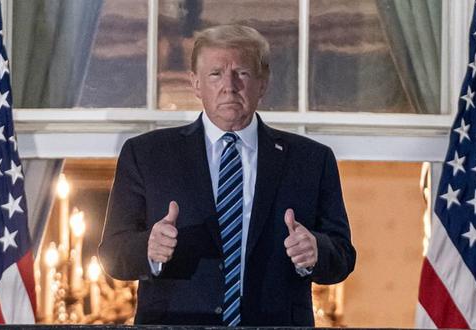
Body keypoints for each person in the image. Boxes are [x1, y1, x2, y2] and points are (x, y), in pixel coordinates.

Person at [98, 24, 356, 327]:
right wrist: (149, 250)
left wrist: (315, 250)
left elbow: (342, 255)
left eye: (242, 73)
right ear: (195, 84)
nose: (229, 86)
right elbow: (112, 254)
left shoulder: (312, 160)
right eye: (215, 74)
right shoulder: (146, 154)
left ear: (263, 83)